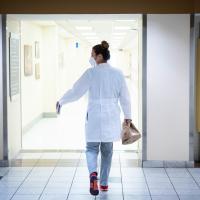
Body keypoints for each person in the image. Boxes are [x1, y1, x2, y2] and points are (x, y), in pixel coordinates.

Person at [56, 40, 132, 196]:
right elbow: (125, 97)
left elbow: (76, 91)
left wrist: (61, 101)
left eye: (92, 55)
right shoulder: (117, 73)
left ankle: (93, 175)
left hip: (94, 117)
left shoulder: (90, 73)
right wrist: (128, 116)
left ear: (99, 56)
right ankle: (103, 184)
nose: (90, 58)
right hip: (111, 117)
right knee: (107, 151)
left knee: (91, 148)